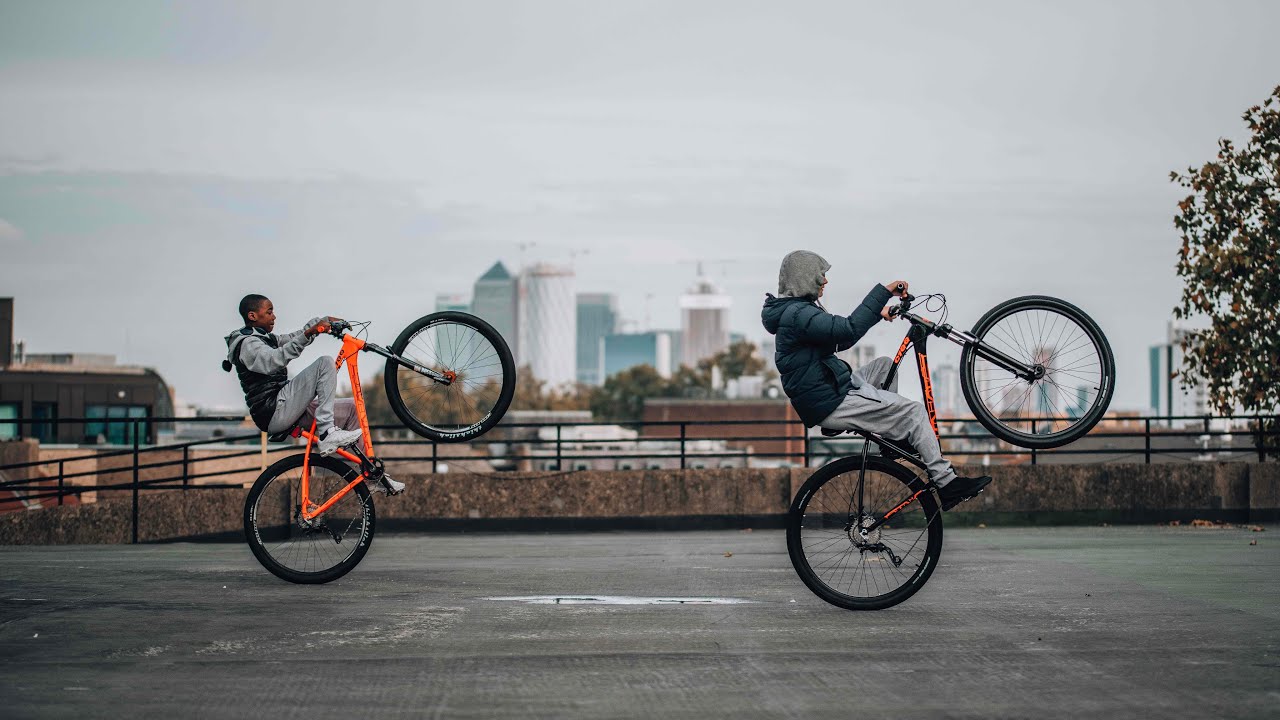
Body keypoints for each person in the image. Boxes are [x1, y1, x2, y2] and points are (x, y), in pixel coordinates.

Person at [760, 251, 991, 510]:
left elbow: (841, 340)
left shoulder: (795, 312)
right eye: (821, 275)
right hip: (830, 400)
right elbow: (846, 329)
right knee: (914, 412)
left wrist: (878, 313)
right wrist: (883, 291)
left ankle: (891, 439)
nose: (825, 281)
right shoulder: (798, 314)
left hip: (829, 388)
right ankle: (947, 484)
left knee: (883, 366)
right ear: (805, 277)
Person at [223, 294, 404, 494]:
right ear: (252, 315)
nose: (274, 316)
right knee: (325, 363)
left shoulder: (265, 338)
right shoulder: (247, 343)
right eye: (269, 312)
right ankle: (327, 432)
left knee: (352, 408)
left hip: (287, 405)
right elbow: (273, 360)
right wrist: (310, 332)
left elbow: (296, 337)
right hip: (273, 409)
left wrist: (320, 323)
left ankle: (370, 475)